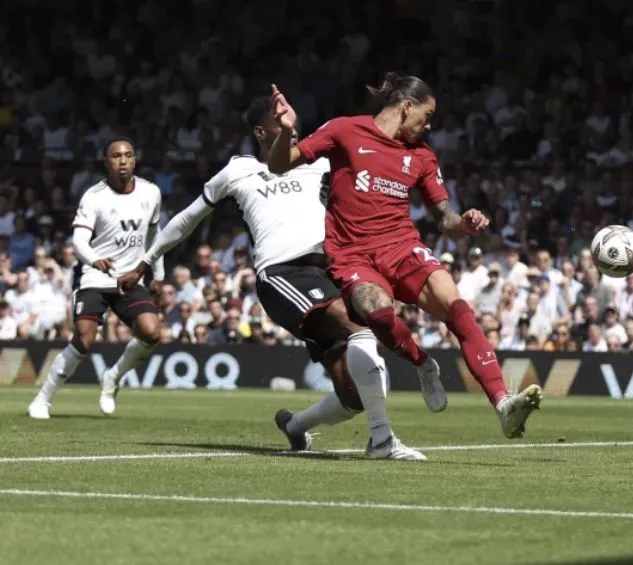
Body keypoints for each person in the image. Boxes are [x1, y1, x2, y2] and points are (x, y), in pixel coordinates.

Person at [118, 97, 432, 460]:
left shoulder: (318, 162)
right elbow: (187, 219)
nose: (292, 126)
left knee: (354, 395)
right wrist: (145, 261)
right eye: (280, 120)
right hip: (283, 273)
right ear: (260, 131)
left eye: (293, 120)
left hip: (329, 273)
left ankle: (295, 426)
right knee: (358, 325)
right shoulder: (238, 170)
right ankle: (381, 441)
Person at [267, 73, 541, 439]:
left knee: (457, 308)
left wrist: (464, 223)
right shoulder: (346, 130)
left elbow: (445, 217)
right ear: (406, 106)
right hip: (352, 255)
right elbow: (279, 164)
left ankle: (503, 402)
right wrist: (286, 130)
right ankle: (423, 364)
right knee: (378, 312)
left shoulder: (422, 156)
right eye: (426, 116)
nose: (428, 125)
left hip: (402, 246)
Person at [27, 139, 165, 419]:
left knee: (151, 332)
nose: (123, 161)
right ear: (107, 162)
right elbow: (78, 240)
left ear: (135, 160)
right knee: (85, 339)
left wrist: (158, 273)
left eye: (128, 155)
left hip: (129, 279)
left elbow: (154, 235)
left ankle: (113, 377)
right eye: (116, 156)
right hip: (94, 275)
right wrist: (94, 260)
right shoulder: (94, 196)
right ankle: (43, 399)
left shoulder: (151, 193)